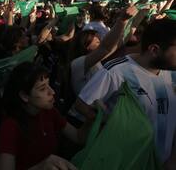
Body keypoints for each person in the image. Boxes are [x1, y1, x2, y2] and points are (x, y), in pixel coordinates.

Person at [75, 19, 176, 168]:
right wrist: (112, 126)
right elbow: (82, 105)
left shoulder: (173, 73)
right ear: (154, 50)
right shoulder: (116, 71)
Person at [0, 62, 92, 170]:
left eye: (49, 85)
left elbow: (78, 137)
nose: (52, 92)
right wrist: (41, 167)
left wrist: (90, 117)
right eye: (42, 89)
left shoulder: (49, 112)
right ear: (24, 96)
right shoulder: (10, 126)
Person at [70, 5, 137, 95]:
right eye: (98, 42)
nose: (101, 42)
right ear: (86, 46)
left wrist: (139, 16)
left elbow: (120, 42)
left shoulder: (96, 62)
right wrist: (122, 20)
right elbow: (106, 48)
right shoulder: (77, 63)